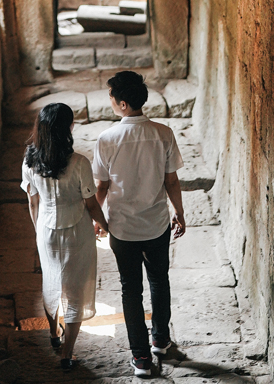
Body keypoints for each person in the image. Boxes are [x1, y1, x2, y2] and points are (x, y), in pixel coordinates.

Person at [92, 71, 186, 378]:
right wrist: (179, 211)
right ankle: (160, 338)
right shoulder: (163, 133)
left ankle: (141, 358)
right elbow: (171, 180)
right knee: (159, 280)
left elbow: (102, 187)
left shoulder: (107, 139)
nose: (109, 102)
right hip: (157, 223)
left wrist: (99, 219)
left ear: (121, 103)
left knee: (130, 290)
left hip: (122, 227)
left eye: (110, 98)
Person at [22, 102, 108, 370]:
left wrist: (39, 232)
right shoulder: (79, 163)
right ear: (69, 128)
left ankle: (52, 334)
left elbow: (33, 203)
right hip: (77, 231)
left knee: (51, 282)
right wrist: (104, 224)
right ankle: (67, 354)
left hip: (46, 229)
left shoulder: (30, 161)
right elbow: (91, 204)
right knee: (75, 289)